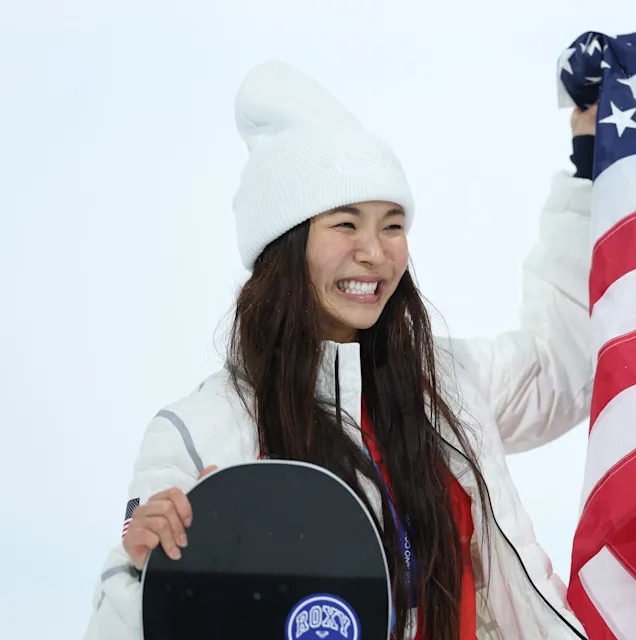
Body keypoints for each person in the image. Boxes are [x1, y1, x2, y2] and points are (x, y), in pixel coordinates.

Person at [83, 60, 599, 639]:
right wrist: (141, 566)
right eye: (346, 225)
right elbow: (128, 624)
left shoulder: (447, 384)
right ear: (286, 243)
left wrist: (590, 162)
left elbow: (564, 364)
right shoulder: (200, 430)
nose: (375, 253)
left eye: (392, 225)